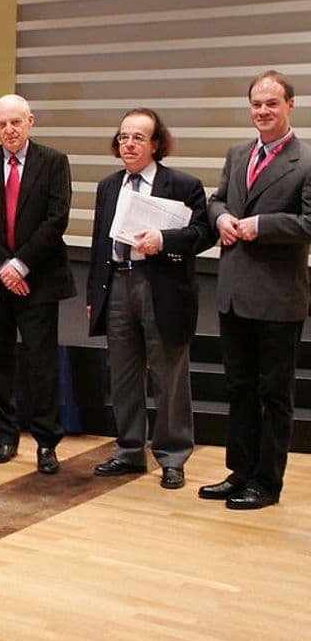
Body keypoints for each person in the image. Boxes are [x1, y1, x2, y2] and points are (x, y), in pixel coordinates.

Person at [201, 70, 311, 510]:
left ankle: (267, 482)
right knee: (239, 388)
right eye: (256, 104)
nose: (263, 111)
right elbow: (217, 199)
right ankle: (240, 471)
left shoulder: (305, 161)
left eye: (272, 103)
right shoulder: (238, 153)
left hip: (278, 298)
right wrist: (221, 218)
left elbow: (308, 223)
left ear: (290, 106)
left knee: (273, 394)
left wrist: (261, 226)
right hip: (233, 293)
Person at [87, 109, 213, 489]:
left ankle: (173, 456)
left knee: (169, 374)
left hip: (163, 286)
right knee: (123, 373)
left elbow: (205, 233)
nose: (129, 143)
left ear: (156, 143)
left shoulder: (183, 185)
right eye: (124, 136)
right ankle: (128, 451)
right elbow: (98, 244)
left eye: (138, 137)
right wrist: (95, 295)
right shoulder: (109, 186)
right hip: (118, 283)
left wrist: (165, 239)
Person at [0, 94, 75, 474]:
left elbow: (56, 219)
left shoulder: (54, 162)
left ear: (31, 121)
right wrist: (4, 267)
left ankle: (46, 441)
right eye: (1, 124)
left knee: (41, 362)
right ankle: (5, 436)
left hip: (38, 279)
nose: (9, 130)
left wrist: (22, 265)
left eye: (16, 122)